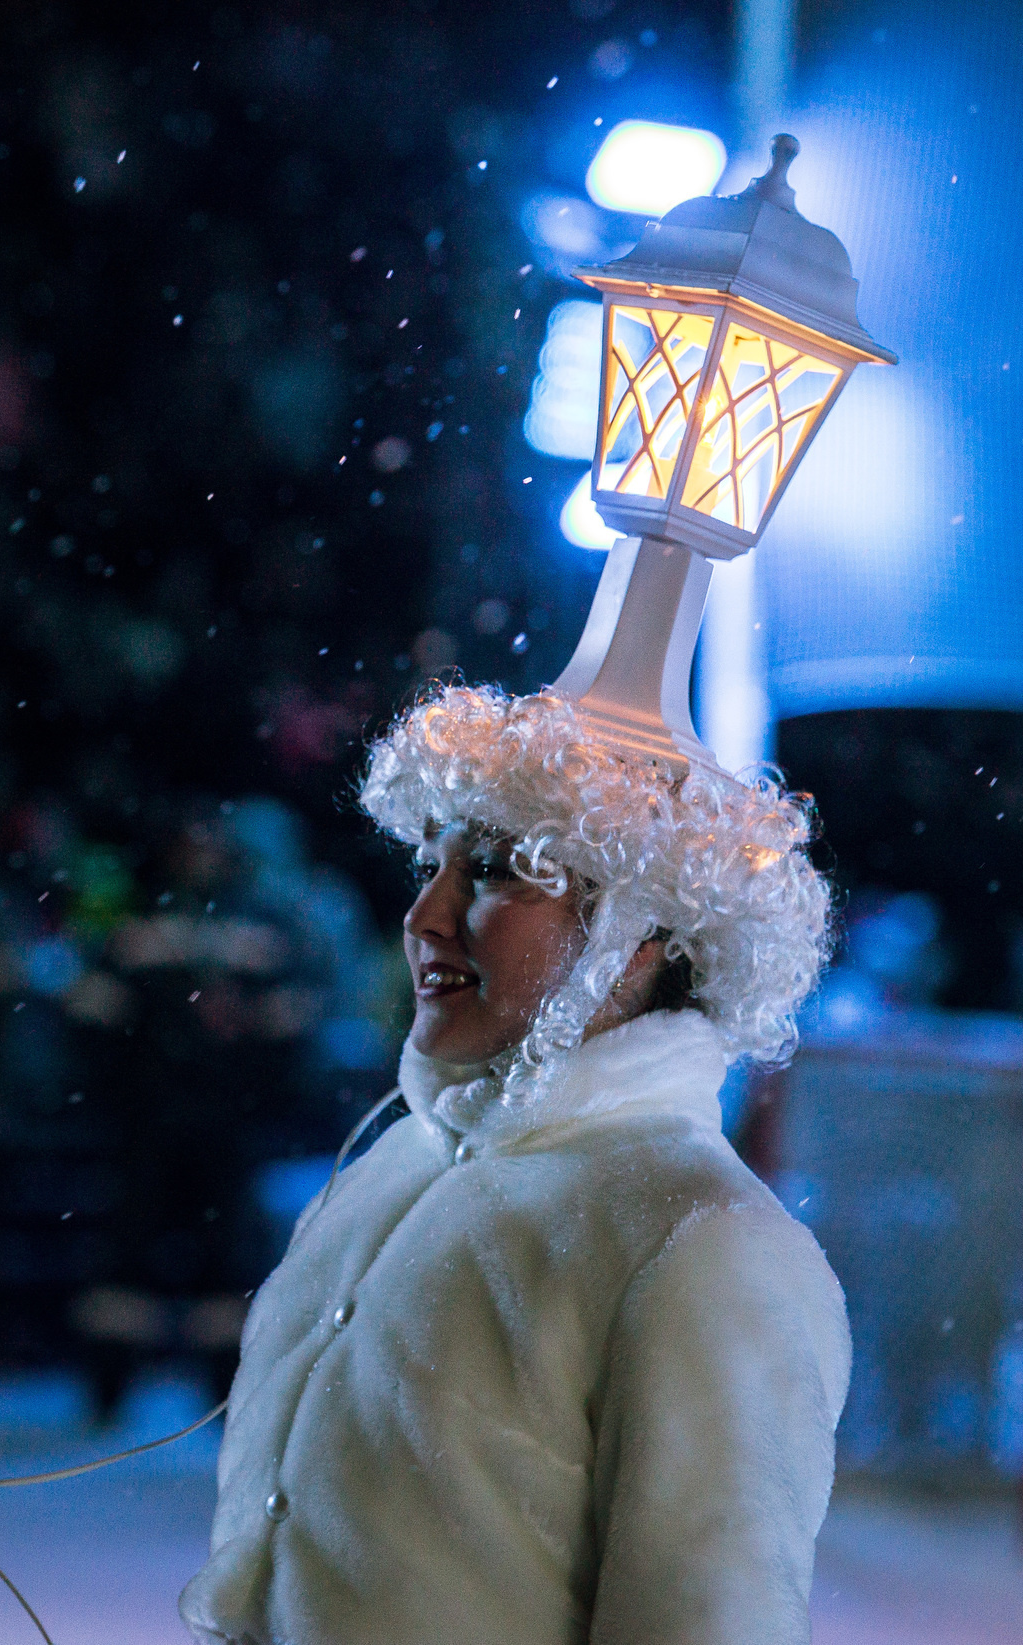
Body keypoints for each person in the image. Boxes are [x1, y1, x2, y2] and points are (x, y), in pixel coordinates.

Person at [179, 683, 852, 1645]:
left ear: (639, 936)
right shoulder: (394, 1164)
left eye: (493, 873)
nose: (425, 917)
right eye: (431, 864)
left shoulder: (705, 1244)